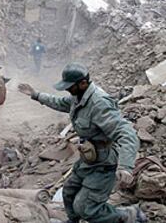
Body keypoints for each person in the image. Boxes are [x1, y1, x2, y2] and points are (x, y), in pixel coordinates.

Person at [18, 63, 147, 223]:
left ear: (83, 83)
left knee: (85, 208)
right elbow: (60, 103)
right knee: (69, 193)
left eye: (69, 87)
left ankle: (129, 215)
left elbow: (126, 132)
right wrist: (36, 95)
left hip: (104, 163)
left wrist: (126, 166)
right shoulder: (79, 95)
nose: (67, 90)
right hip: (88, 158)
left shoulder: (99, 104)